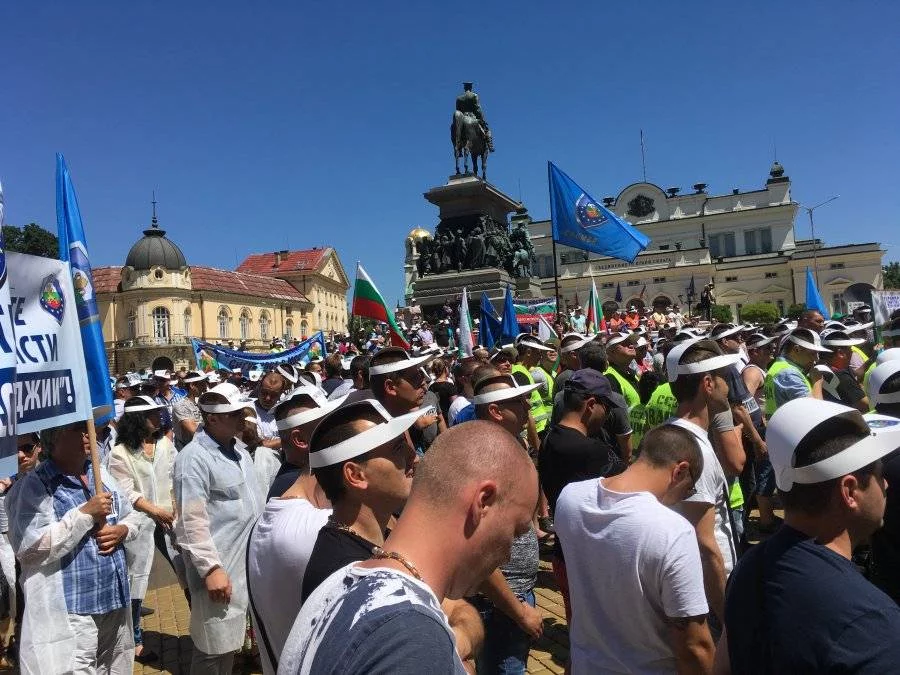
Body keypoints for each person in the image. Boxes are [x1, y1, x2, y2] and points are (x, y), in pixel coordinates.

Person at [279, 421, 537, 675]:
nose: (508, 554)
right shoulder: (411, 635)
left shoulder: (340, 581)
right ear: (484, 501)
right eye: (516, 530)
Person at [718, 399, 900, 673]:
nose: (885, 484)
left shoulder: (749, 567)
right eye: (877, 473)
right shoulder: (871, 622)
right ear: (849, 491)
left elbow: (721, 667)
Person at [556, 424, 714, 673]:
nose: (684, 497)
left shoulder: (569, 500)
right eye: (689, 489)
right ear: (680, 471)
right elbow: (695, 646)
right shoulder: (673, 530)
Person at [5, 419, 142, 673]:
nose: (88, 435)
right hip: (73, 613)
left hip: (114, 599)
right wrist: (83, 515)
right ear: (54, 438)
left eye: (86, 428)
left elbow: (130, 515)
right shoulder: (34, 486)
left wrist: (123, 530)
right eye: (78, 429)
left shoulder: (98, 473)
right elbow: (30, 549)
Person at [247, 388, 344, 674]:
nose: (343, 434)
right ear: (301, 440)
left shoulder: (292, 486)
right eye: (330, 428)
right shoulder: (291, 495)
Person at [174, 383, 264, 674]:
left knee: (232, 644)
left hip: (245, 566)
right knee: (214, 647)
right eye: (234, 414)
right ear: (212, 418)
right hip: (219, 567)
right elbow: (190, 520)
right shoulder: (193, 458)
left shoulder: (239, 451)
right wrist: (211, 568)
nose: (243, 419)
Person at [300, 399, 425, 601]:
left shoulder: (382, 538)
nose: (414, 457)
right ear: (356, 475)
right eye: (398, 448)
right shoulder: (349, 577)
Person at [470, 373, 545, 674]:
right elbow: (477, 550)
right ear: (496, 411)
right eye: (519, 401)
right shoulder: (485, 464)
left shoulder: (515, 446)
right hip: (501, 604)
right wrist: (518, 611)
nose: (528, 405)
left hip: (517, 594)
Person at [666, 339, 743, 631]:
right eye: (724, 376)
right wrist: (728, 618)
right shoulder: (695, 449)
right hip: (710, 591)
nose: (730, 383)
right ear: (708, 384)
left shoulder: (671, 435)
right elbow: (705, 545)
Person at [539, 370, 627, 622]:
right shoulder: (590, 451)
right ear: (590, 405)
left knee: (581, 636)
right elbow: (632, 487)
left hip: (564, 554)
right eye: (606, 406)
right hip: (593, 562)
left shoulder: (549, 439)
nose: (608, 414)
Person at [107, 395, 179, 665]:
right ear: (138, 419)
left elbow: (174, 475)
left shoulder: (164, 443)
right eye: (152, 413)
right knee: (136, 581)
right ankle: (134, 640)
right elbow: (126, 491)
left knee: (185, 566)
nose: (159, 417)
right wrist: (155, 510)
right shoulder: (120, 453)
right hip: (139, 520)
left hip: (170, 516)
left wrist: (173, 506)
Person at [368, 347, 443, 455]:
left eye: (420, 375)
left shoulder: (397, 419)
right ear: (390, 387)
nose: (423, 382)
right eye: (414, 378)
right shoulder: (377, 436)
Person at [764, 327, 829, 416]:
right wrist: (817, 382)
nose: (816, 359)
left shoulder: (778, 367)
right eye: (813, 353)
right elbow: (815, 412)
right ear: (797, 350)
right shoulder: (789, 374)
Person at [817, 329, 870, 412]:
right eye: (850, 350)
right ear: (840, 353)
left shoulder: (817, 369)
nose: (852, 352)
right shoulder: (840, 376)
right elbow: (866, 405)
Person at [604, 332, 641, 408]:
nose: (631, 346)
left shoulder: (632, 374)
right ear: (612, 352)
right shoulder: (609, 377)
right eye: (625, 343)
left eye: (631, 343)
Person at [172, 371, 207, 450]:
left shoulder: (200, 404)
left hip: (202, 447)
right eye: (201, 385)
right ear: (192, 385)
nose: (204, 388)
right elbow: (194, 431)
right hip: (187, 450)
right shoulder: (180, 406)